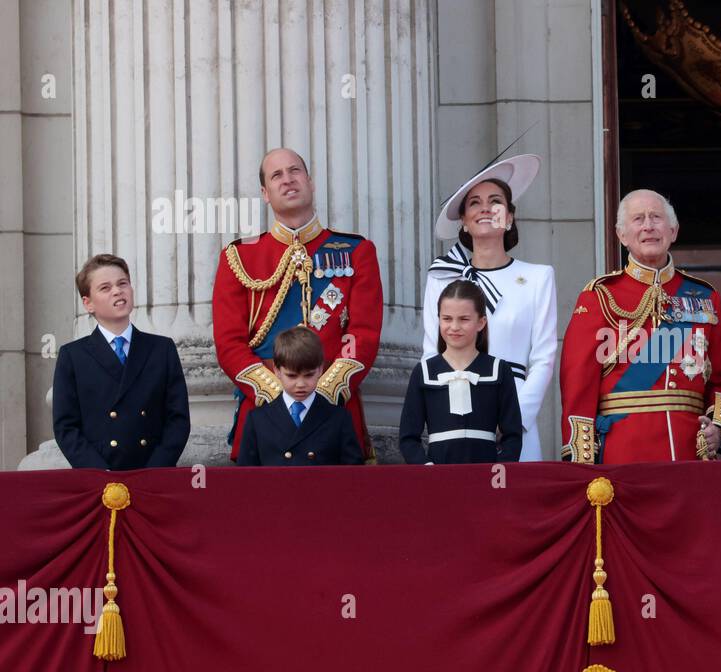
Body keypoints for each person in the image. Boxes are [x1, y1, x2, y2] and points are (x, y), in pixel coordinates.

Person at [212, 147, 383, 462]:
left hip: (335, 415)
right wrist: (281, 395)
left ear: (310, 181)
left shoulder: (357, 251)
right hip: (264, 417)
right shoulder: (239, 257)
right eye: (276, 175)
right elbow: (229, 344)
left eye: (295, 171)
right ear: (265, 193)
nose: (287, 180)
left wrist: (322, 393)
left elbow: (363, 334)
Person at [559, 189, 721, 463]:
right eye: (638, 219)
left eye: (656, 217)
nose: (648, 226)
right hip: (621, 450)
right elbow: (578, 382)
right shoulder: (599, 296)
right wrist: (583, 460)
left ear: (673, 230)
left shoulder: (704, 296)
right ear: (622, 235)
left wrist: (719, 428)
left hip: (689, 450)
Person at [424, 154, 557, 461]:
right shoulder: (442, 278)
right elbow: (432, 352)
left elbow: (544, 357)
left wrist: (515, 419)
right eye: (474, 203)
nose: (485, 208)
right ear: (464, 222)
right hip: (456, 412)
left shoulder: (539, 277)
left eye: (495, 201)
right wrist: (446, 415)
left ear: (509, 217)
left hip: (515, 409)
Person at [52, 254, 191, 470]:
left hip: (153, 475)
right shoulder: (73, 356)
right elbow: (66, 427)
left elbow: (178, 419)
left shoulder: (161, 349)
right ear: (88, 303)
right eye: (105, 288)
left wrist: (154, 471)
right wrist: (100, 473)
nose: (117, 291)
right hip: (99, 479)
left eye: (122, 283)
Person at [401, 280, 524, 464]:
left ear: (481, 322)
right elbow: (408, 437)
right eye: (447, 318)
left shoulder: (500, 370)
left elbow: (513, 434)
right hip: (438, 477)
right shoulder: (424, 372)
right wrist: (425, 468)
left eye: (464, 319)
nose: (454, 327)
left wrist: (500, 468)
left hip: (486, 477)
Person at [237, 326, 363, 466]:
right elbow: (246, 477)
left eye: (309, 375)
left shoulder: (339, 418)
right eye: (292, 376)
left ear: (320, 369)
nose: (301, 384)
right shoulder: (257, 420)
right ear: (277, 371)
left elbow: (353, 477)